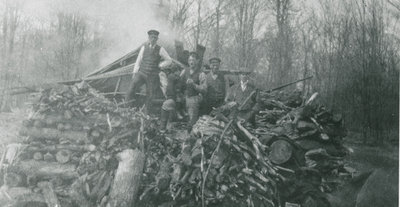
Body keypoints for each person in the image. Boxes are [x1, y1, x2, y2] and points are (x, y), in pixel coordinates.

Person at [125, 30, 172, 110]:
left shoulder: (160, 49)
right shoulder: (144, 47)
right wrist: (135, 73)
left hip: (152, 76)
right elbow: (138, 61)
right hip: (142, 73)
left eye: (155, 37)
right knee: (132, 87)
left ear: (157, 39)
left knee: (150, 94)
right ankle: (127, 107)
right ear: (148, 38)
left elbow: (169, 60)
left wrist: (161, 65)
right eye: (151, 37)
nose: (153, 39)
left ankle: (147, 112)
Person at [180, 52, 206, 132]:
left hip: (194, 97)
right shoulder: (184, 71)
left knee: (192, 103)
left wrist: (194, 85)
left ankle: (190, 129)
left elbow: (204, 89)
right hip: (184, 97)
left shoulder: (201, 73)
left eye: (193, 60)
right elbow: (178, 84)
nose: (191, 62)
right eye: (189, 60)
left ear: (197, 61)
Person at [160, 65, 182, 132]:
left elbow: (171, 88)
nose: (179, 73)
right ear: (177, 71)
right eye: (179, 71)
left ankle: (163, 128)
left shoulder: (171, 76)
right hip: (172, 96)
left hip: (171, 96)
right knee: (168, 110)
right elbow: (172, 88)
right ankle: (165, 128)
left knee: (166, 110)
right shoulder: (174, 77)